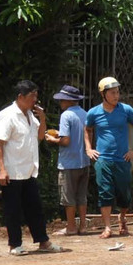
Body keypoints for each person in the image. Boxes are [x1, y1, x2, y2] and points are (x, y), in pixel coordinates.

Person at [0, 80, 62, 256]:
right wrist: (2, 169)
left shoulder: (31, 116)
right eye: (32, 96)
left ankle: (43, 241)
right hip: (12, 171)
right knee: (13, 209)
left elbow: (40, 136)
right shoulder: (7, 115)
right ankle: (14, 245)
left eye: (36, 95)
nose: (35, 99)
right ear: (20, 97)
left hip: (29, 170)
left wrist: (43, 118)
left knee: (35, 208)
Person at [85, 77, 133, 239]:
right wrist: (89, 149)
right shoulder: (94, 113)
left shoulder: (126, 110)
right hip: (103, 160)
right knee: (105, 192)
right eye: (112, 93)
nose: (116, 96)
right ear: (103, 94)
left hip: (122, 160)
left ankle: (122, 218)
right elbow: (87, 129)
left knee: (124, 194)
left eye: (117, 92)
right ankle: (108, 227)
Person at [44, 85, 90, 235]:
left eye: (62, 100)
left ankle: (70, 227)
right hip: (84, 161)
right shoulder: (85, 114)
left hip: (68, 163)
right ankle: (83, 226)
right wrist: (60, 134)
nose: (60, 102)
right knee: (81, 196)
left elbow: (65, 141)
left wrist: (52, 139)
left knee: (68, 196)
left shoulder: (66, 115)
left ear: (68, 100)